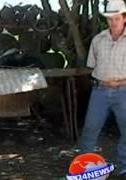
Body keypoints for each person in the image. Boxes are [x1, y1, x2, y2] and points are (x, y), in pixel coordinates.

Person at [78, 0, 126, 178]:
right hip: (100, 91)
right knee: (90, 128)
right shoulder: (98, 40)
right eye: (109, 19)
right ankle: (85, 168)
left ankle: (125, 167)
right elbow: (92, 66)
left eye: (116, 18)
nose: (113, 22)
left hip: (124, 91)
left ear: (124, 18)